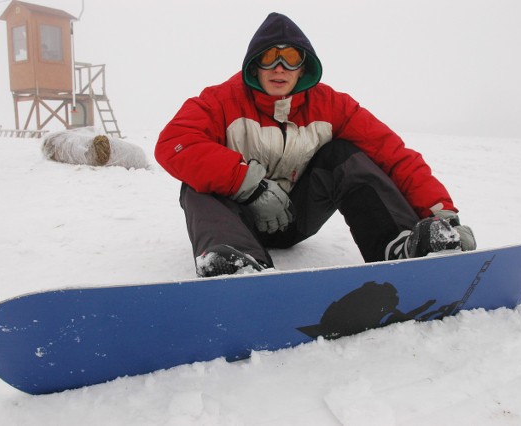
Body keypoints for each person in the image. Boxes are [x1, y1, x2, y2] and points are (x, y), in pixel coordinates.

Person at [155, 12, 476, 277]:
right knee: (196, 182)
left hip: (296, 216)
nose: (279, 67)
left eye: (290, 57)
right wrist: (248, 185)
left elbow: (394, 156)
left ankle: (400, 245)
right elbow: (175, 143)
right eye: (270, 57)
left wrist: (442, 214)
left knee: (345, 156)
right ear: (254, 64)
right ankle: (239, 268)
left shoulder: (333, 106)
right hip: (240, 221)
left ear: (303, 66)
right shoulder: (220, 101)